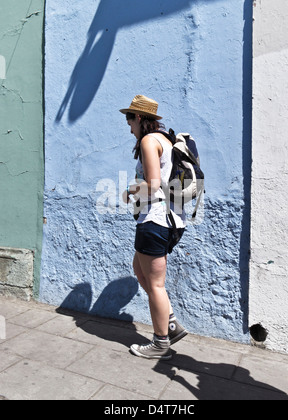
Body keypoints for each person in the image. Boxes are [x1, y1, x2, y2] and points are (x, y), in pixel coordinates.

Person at [120, 95, 188, 360]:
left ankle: (161, 343)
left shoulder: (149, 141)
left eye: (129, 121)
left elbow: (153, 183)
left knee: (156, 285)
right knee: (140, 269)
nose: (129, 128)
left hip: (156, 220)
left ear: (138, 118)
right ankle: (169, 323)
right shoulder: (165, 139)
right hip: (168, 220)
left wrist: (129, 191)